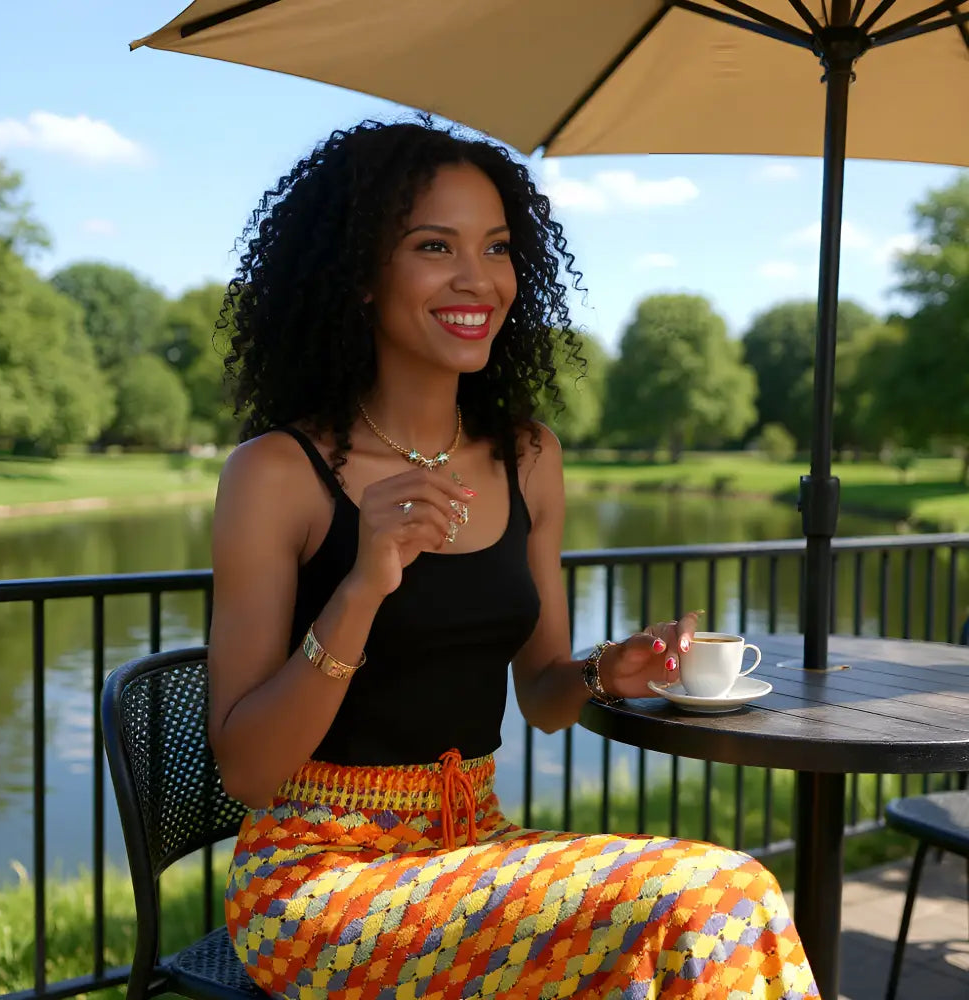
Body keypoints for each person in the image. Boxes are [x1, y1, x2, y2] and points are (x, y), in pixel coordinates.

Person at [208, 119, 819, 999]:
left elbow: (541, 698)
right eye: (433, 245)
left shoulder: (528, 456)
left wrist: (609, 670)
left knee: (697, 926)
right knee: (715, 894)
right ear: (358, 280)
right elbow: (248, 771)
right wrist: (362, 587)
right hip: (319, 885)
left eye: (496, 247)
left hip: (473, 851)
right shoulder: (276, 473)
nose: (478, 279)